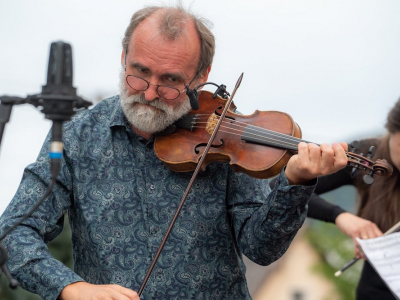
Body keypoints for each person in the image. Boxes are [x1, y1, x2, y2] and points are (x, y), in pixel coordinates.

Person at [0, 5, 348, 300]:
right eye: (139, 73)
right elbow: (14, 230)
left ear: (201, 75)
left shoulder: (226, 135)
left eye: (169, 81)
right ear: (123, 57)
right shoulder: (78, 134)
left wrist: (295, 184)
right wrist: (71, 287)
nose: (149, 93)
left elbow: (262, 248)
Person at [288, 98, 400, 300]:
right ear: (391, 131)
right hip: (378, 290)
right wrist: (340, 216)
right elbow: (287, 191)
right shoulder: (368, 154)